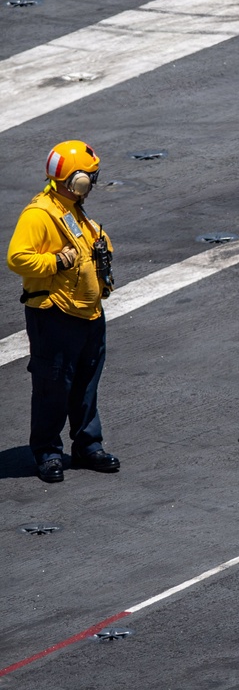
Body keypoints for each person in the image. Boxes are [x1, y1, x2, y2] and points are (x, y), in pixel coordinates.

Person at [7, 141, 119, 484]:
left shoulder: (71, 209)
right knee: (52, 385)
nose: (94, 183)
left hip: (87, 313)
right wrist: (56, 261)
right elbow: (17, 258)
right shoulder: (40, 214)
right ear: (78, 180)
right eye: (91, 176)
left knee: (86, 384)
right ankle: (47, 452)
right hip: (55, 315)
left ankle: (88, 446)